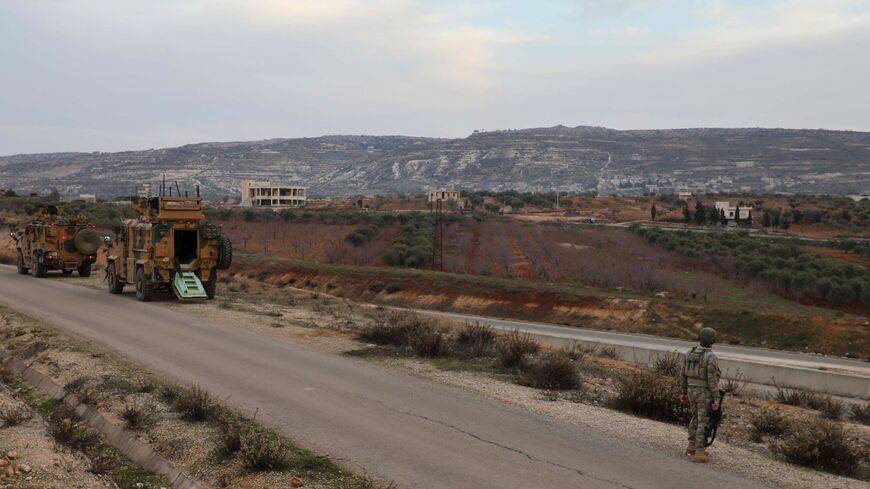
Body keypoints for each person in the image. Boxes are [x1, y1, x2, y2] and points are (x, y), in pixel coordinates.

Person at [680, 327, 721, 463]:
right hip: (704, 392)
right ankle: (699, 452)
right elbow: (712, 379)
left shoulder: (689, 353)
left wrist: (683, 392)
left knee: (695, 418)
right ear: (712, 341)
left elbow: (682, 374)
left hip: (691, 390)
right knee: (703, 421)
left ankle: (691, 446)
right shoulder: (710, 356)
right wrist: (716, 397)